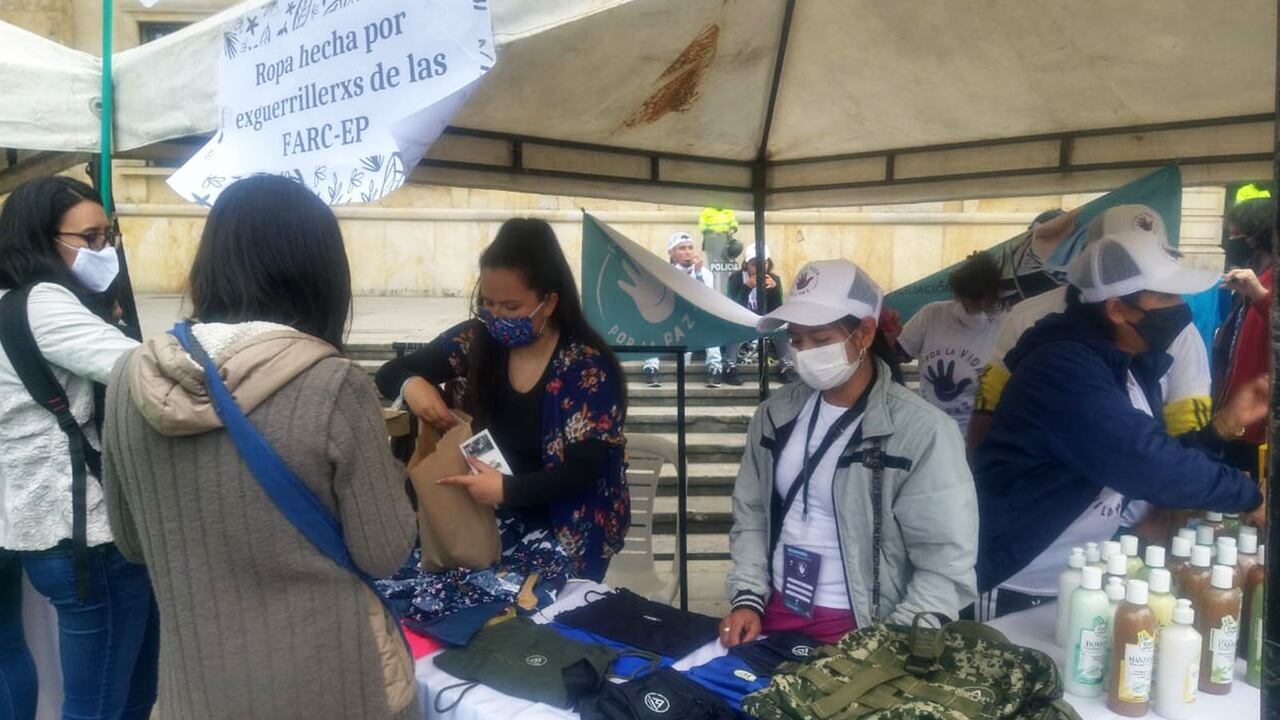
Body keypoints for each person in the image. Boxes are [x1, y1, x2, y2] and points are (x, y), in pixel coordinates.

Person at [100, 175, 419, 720]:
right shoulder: (332, 383)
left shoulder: (129, 380)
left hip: (194, 693)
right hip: (335, 688)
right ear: (322, 273)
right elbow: (384, 551)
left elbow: (131, 542)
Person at [974, 205, 1265, 619]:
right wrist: (1249, 496)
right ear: (1117, 308)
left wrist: (1223, 427)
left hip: (1079, 581)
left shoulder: (1126, 366)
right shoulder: (1063, 369)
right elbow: (1146, 464)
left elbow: (1150, 451)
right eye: (1165, 294)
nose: (1179, 305)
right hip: (1016, 586)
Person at [721, 260, 977, 646]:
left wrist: (889, 646)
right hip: (773, 615)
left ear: (865, 333)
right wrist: (747, 597)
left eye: (821, 340)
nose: (804, 353)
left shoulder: (923, 432)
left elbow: (945, 562)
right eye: (796, 339)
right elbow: (752, 511)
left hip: (866, 630)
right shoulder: (774, 415)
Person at [376, 218, 629, 581]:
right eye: (488, 304)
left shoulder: (585, 366)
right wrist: (412, 385)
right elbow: (390, 372)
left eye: (511, 308)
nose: (497, 318)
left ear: (550, 302)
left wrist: (506, 489)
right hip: (482, 524)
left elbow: (583, 472)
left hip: (565, 533)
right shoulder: (478, 340)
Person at [0, 176, 155, 720]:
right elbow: (149, 372)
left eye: (107, 236)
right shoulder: (43, 301)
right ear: (42, 240)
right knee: (102, 702)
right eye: (88, 239)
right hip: (86, 533)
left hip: (34, 524)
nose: (102, 251)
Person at [969, 207, 1213, 452]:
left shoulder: (1178, 332)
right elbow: (988, 408)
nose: (1176, 304)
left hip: (1145, 478)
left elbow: (1187, 424)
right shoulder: (1027, 319)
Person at [896, 251, 1003, 435]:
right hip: (928, 428)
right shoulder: (932, 314)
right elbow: (899, 354)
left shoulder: (1004, 325)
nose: (969, 306)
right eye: (965, 299)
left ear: (992, 296)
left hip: (971, 434)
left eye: (979, 301)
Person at [1211, 197, 1275, 476]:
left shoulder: (1268, 281)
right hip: (1235, 410)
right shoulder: (1256, 276)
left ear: (1257, 236)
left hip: (1258, 420)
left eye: (1237, 235)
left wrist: (1259, 295)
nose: (1231, 241)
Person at [644, 231, 725, 388]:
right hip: (671, 319)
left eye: (690, 247)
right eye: (682, 248)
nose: (688, 252)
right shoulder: (663, 272)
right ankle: (651, 369)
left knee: (712, 326)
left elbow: (707, 299)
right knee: (650, 324)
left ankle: (715, 369)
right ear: (671, 253)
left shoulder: (705, 273)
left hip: (696, 320)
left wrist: (698, 273)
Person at [723, 244, 795, 386]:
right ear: (746, 265)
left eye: (764, 264)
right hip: (741, 318)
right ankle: (729, 366)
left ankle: (785, 365)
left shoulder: (774, 279)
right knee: (734, 327)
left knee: (781, 326)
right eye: (754, 264)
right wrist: (746, 288)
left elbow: (778, 309)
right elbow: (732, 307)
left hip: (765, 320)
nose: (760, 269)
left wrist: (774, 290)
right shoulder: (736, 278)